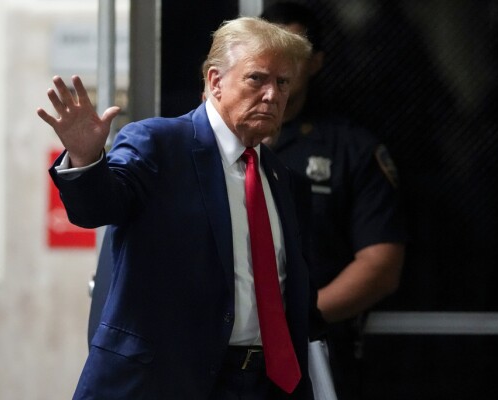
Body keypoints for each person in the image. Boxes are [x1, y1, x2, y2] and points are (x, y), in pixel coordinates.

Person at [38, 16, 318, 399]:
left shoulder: (279, 176)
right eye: (258, 79)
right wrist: (85, 158)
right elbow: (96, 209)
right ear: (215, 81)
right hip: (163, 383)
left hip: (259, 384)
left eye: (282, 83)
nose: (272, 95)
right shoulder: (158, 142)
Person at [260, 3, 407, 399]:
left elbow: (381, 265)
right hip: (219, 350)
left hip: (315, 350)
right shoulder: (211, 145)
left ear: (316, 62)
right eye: (265, 52)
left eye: (292, 52)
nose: (277, 68)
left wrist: (292, 321)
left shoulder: (350, 149)